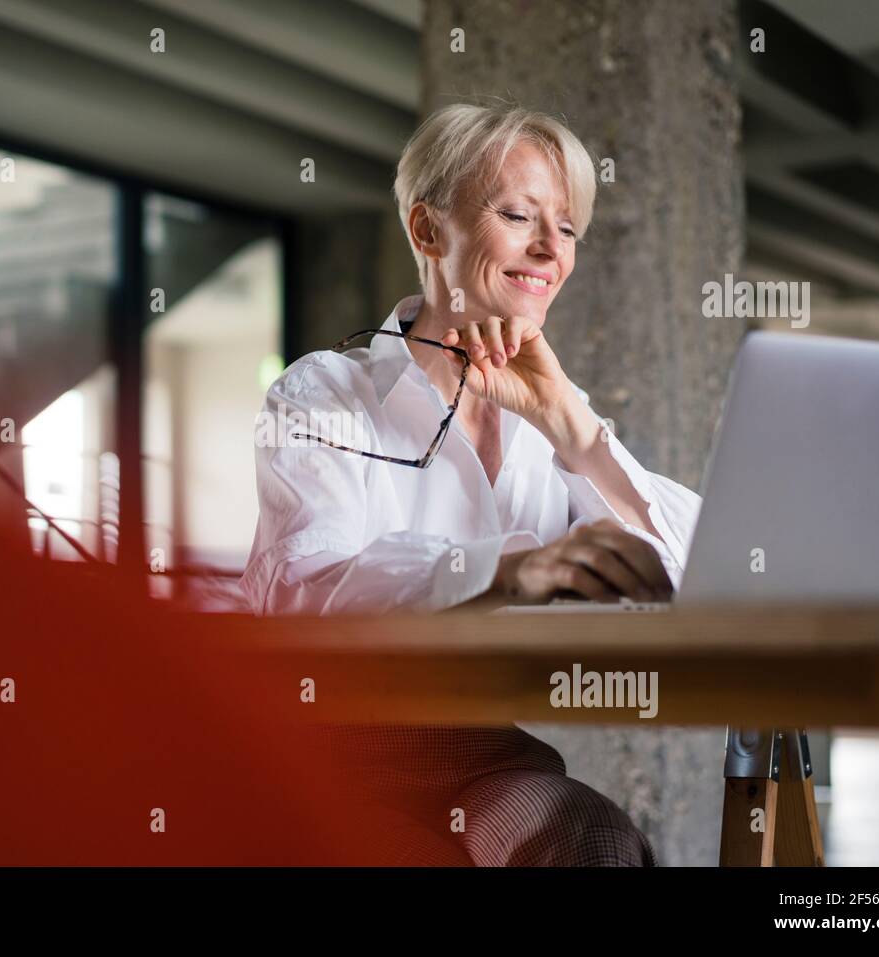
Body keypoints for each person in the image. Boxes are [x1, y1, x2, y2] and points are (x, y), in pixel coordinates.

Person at [240, 102, 702, 866]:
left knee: (597, 843)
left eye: (569, 228)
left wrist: (570, 423)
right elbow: (304, 587)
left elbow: (692, 575)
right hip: (323, 753)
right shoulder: (323, 393)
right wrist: (507, 570)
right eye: (519, 215)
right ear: (428, 231)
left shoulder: (549, 414)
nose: (551, 247)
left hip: (481, 754)